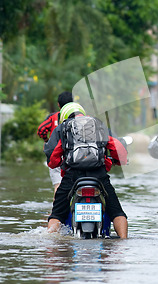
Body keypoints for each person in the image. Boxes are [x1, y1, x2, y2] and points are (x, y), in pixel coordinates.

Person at [44, 102, 128, 238]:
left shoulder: (62, 128)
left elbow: (53, 157)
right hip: (98, 176)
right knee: (117, 212)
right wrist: (120, 161)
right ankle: (124, 242)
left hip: (72, 176)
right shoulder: (98, 125)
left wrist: (59, 162)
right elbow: (116, 146)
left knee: (57, 214)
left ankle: (52, 243)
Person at [37, 91, 73, 195]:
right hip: (74, 154)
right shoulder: (80, 117)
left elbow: (41, 130)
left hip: (55, 155)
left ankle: (57, 209)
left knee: (58, 185)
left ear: (58, 104)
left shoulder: (53, 117)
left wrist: (47, 140)